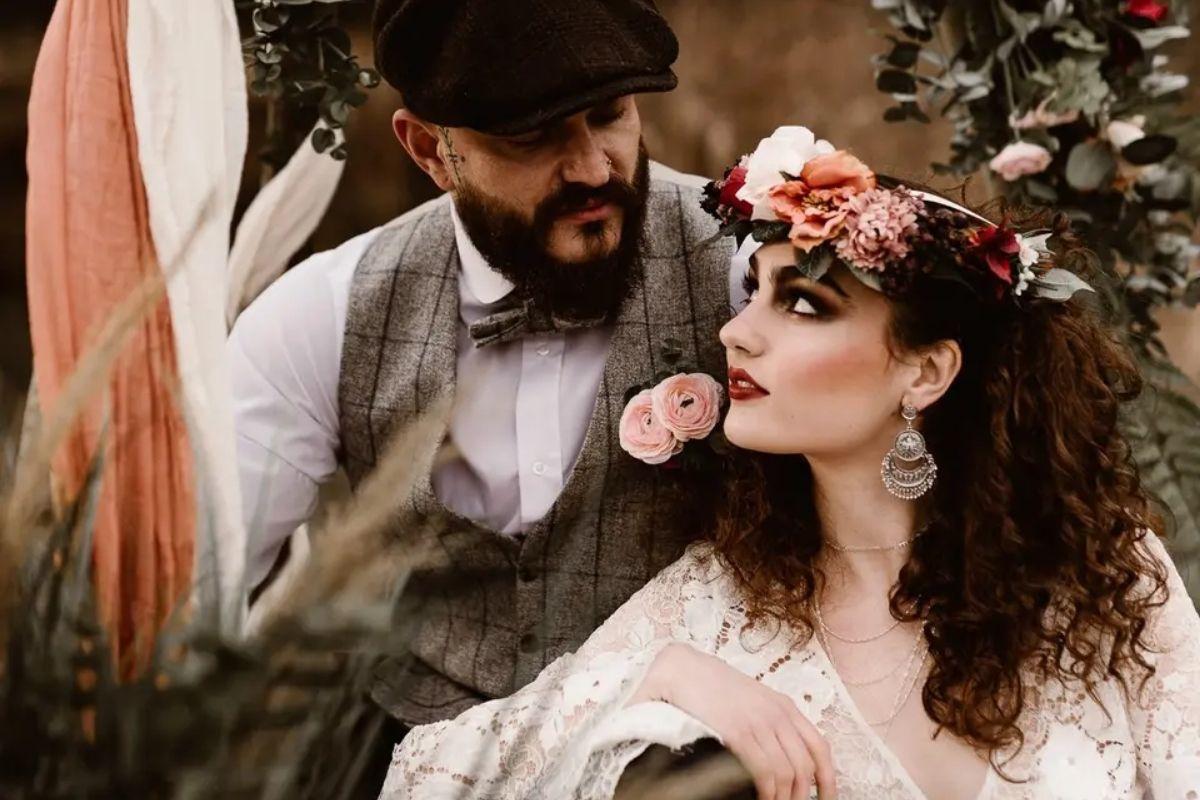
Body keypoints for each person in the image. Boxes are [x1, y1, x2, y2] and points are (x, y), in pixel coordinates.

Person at [378, 127, 1200, 799]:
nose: (738, 332)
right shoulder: (717, 605)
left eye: (803, 303)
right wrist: (657, 678)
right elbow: (428, 775)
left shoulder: (1104, 578)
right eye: (755, 295)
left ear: (926, 372)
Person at [227, 0, 823, 795]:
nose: (590, 168)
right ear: (430, 151)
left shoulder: (746, 269)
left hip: (678, 752)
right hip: (412, 762)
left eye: (609, 115)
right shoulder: (321, 316)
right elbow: (185, 588)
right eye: (530, 136)